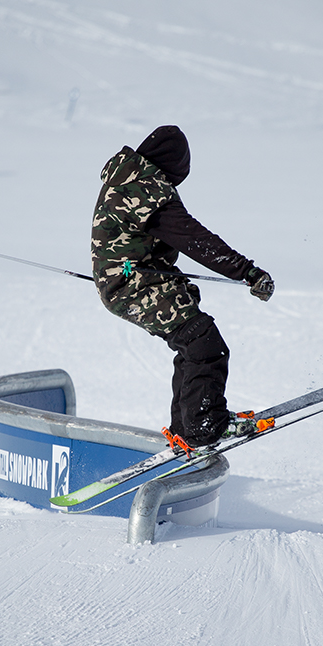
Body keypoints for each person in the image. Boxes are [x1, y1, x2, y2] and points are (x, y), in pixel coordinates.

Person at [91, 125, 274, 449]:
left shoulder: (127, 179)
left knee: (193, 344)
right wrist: (246, 271)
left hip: (133, 279)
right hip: (132, 284)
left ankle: (186, 427)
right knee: (204, 342)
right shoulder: (146, 192)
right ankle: (205, 425)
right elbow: (193, 238)